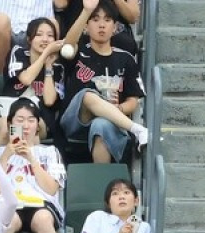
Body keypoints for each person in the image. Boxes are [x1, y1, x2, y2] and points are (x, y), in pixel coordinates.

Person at [60, 0, 148, 164]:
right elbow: (67, 46)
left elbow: (133, 101)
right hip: (76, 121)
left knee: (101, 125)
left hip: (109, 122)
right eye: (95, 20)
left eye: (107, 20)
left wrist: (118, 108)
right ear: (86, 27)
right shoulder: (80, 50)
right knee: (88, 96)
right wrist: (86, 11)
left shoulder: (126, 59)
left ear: (115, 28)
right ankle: (137, 130)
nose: (101, 25)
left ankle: (102, 182)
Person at [0, 98, 66, 233]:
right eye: (20, 120)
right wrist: (5, 156)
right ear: (10, 124)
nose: (26, 125)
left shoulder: (50, 152)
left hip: (42, 204)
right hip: (7, 204)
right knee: (7, 221)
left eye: (31, 120)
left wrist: (30, 158)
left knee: (43, 219)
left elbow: (51, 188)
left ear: (37, 126)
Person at [0, 17, 67, 142]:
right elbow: (26, 79)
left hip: (39, 117)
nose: (45, 39)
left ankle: (29, 162)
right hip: (9, 112)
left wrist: (48, 67)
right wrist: (46, 53)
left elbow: (49, 101)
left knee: (31, 131)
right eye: (39, 34)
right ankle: (3, 161)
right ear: (29, 39)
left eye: (50, 35)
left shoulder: (58, 67)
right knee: (8, 130)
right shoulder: (18, 52)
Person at [0, 0, 54, 74]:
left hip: (37, 25)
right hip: (4, 26)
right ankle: (2, 78)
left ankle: (42, 78)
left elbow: (61, 4)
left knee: (52, 25)